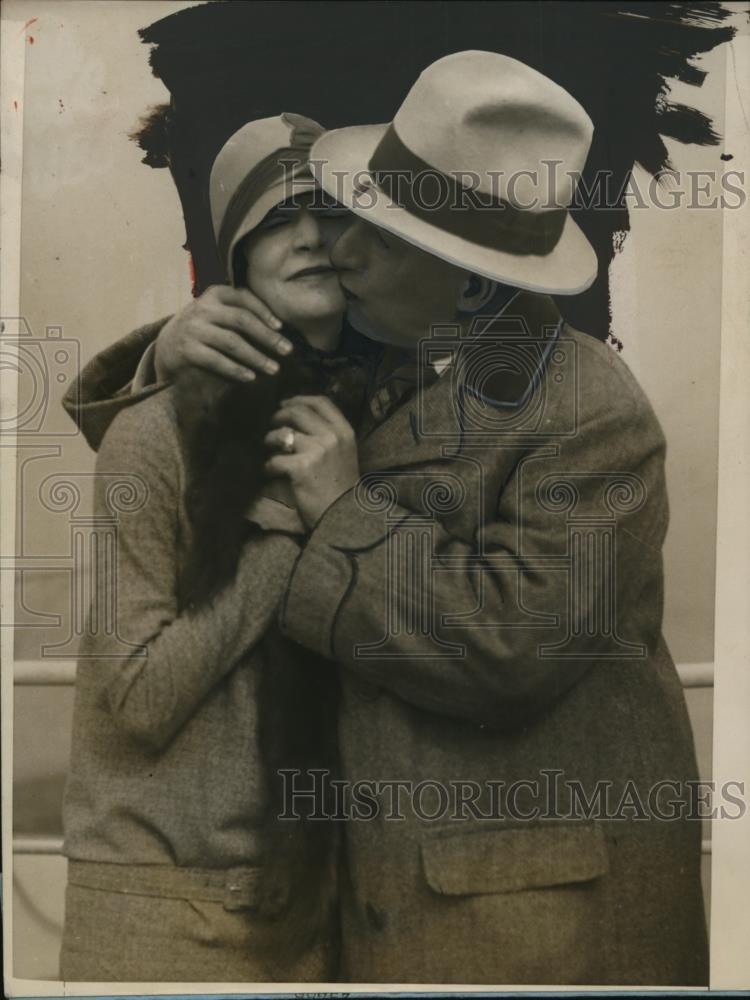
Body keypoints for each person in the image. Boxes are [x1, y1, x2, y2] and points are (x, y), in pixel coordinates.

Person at [64, 52, 708, 986]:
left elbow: (507, 648)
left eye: (381, 235)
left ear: (472, 280)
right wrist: (166, 349)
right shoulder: (398, 367)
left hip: (535, 937)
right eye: (348, 214)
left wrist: (339, 513)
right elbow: (199, 449)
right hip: (377, 919)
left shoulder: (585, 406)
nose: (340, 249)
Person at [60, 112, 373, 982]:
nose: (311, 237)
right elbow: (141, 692)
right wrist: (293, 527)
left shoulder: (372, 423)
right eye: (276, 217)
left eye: (331, 212)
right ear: (233, 258)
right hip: (163, 909)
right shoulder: (154, 431)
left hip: (319, 907)